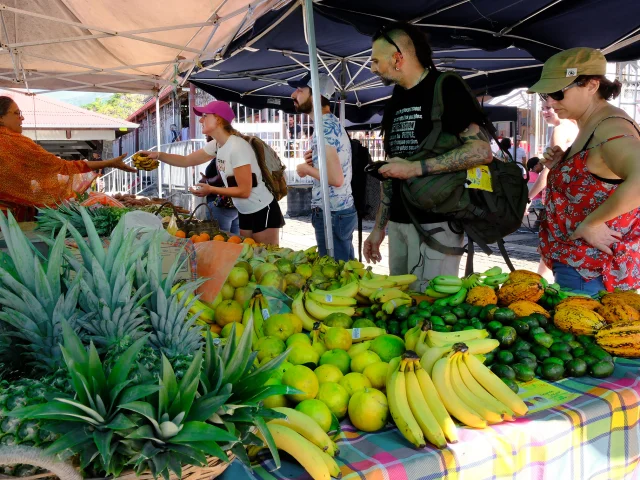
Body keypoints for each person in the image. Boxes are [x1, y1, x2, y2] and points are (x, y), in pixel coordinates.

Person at [362, 23, 492, 290]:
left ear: (398, 57)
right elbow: (392, 166)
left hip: (437, 225)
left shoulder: (445, 89)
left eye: (375, 60)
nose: (372, 68)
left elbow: (481, 151)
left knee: (431, 311)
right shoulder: (396, 98)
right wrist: (379, 227)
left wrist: (416, 168)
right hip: (399, 222)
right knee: (400, 305)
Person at [528, 47, 640, 293]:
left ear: (591, 84)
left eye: (557, 92)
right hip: (580, 266)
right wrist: (561, 166)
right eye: (545, 95)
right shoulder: (593, 125)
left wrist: (591, 223)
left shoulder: (609, 129)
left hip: (591, 271)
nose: (550, 101)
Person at [139, 100, 284, 245]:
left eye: (205, 116)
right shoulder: (217, 145)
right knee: (250, 256)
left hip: (263, 210)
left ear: (218, 119)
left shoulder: (237, 147)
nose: (201, 120)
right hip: (245, 211)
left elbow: (244, 190)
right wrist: (157, 155)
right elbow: (186, 160)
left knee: (267, 257)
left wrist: (210, 189)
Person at [0, 96, 135, 221]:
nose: (22, 118)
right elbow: (61, 167)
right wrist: (110, 162)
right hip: (8, 218)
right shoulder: (16, 144)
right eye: (17, 113)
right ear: (1, 118)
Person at [289, 72, 356, 261]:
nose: (293, 95)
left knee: (337, 274)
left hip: (332, 213)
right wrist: (315, 162)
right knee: (344, 270)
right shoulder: (327, 124)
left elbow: (336, 179)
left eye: (300, 90)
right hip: (337, 211)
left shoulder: (324, 129)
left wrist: (306, 169)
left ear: (317, 96)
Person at [200, 136, 240, 235]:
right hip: (235, 204)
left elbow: (221, 177)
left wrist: (207, 181)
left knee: (221, 241)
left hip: (220, 204)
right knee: (235, 242)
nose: (205, 135)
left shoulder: (222, 152)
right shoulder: (232, 150)